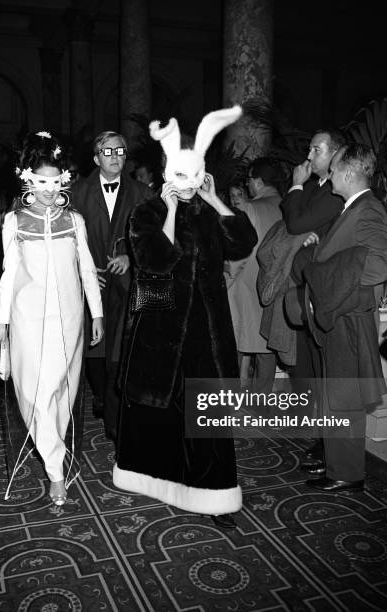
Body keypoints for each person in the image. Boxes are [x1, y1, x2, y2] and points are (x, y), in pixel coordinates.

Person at [113, 106, 258, 527]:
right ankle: (162, 481)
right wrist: (170, 208)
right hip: (161, 323)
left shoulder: (209, 210)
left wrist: (214, 197)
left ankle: (214, 496)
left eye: (196, 176)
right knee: (162, 409)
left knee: (208, 414)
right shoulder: (145, 213)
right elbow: (158, 260)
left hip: (206, 327)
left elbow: (243, 242)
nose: (189, 184)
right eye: (181, 176)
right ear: (166, 176)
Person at [0, 131, 103, 506]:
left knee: (61, 394)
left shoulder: (74, 221)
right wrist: (2, 324)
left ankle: (52, 445)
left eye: (54, 183)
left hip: (70, 321)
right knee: (34, 395)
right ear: (27, 180)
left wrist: (97, 313)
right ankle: (56, 471)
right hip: (26, 320)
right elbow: (7, 275)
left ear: (64, 182)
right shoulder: (13, 222)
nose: (48, 190)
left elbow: (87, 270)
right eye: (41, 183)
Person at [302, 143, 387, 491]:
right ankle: (339, 466)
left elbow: (377, 265)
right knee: (338, 396)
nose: (330, 176)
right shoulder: (352, 208)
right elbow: (349, 255)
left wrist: (327, 273)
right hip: (340, 317)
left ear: (350, 174)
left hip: (350, 318)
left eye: (335, 170)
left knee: (344, 399)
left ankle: (347, 473)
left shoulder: (368, 209)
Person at [72, 131, 153, 439]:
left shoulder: (143, 193)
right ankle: (102, 396)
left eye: (120, 151)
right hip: (89, 283)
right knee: (94, 349)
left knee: (120, 352)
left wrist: (132, 258)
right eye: (107, 152)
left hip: (127, 284)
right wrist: (85, 269)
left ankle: (116, 417)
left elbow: (153, 236)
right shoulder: (77, 192)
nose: (115, 156)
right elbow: (66, 239)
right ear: (96, 158)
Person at [281, 128, 347, 470]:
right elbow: (297, 221)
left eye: (316, 149)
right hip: (308, 287)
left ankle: (331, 448)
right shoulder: (318, 187)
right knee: (313, 369)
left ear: (336, 153)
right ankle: (324, 441)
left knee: (327, 372)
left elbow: (295, 223)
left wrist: (294, 186)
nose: (309, 156)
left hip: (327, 291)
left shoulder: (337, 193)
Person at [225, 157, 283, 394]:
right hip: (275, 286)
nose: (248, 185)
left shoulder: (249, 208)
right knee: (267, 347)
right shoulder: (287, 206)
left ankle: (231, 400)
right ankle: (262, 403)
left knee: (237, 343)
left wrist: (224, 280)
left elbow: (238, 253)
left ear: (258, 181)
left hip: (245, 287)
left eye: (249, 180)